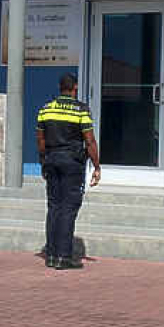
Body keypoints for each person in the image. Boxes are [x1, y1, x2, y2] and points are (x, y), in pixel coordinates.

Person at [36, 73, 101, 269]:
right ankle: (64, 257)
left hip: (52, 160)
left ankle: (51, 255)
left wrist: (43, 162)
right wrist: (96, 166)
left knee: (54, 207)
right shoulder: (80, 110)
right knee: (68, 208)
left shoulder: (45, 109)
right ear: (75, 88)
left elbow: (40, 141)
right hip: (72, 162)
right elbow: (89, 141)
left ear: (59, 87)